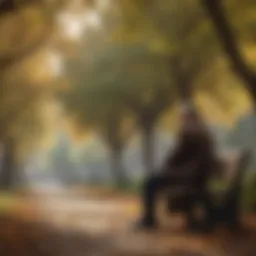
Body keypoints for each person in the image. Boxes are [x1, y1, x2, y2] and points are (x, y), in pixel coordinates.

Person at [136, 103, 218, 230]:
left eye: (185, 117)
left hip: (190, 177)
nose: (182, 120)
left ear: (193, 117)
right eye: (182, 118)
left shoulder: (196, 135)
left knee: (151, 182)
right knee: (152, 180)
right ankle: (149, 219)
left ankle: (149, 219)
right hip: (188, 175)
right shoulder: (194, 134)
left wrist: (173, 169)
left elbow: (190, 161)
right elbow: (176, 159)